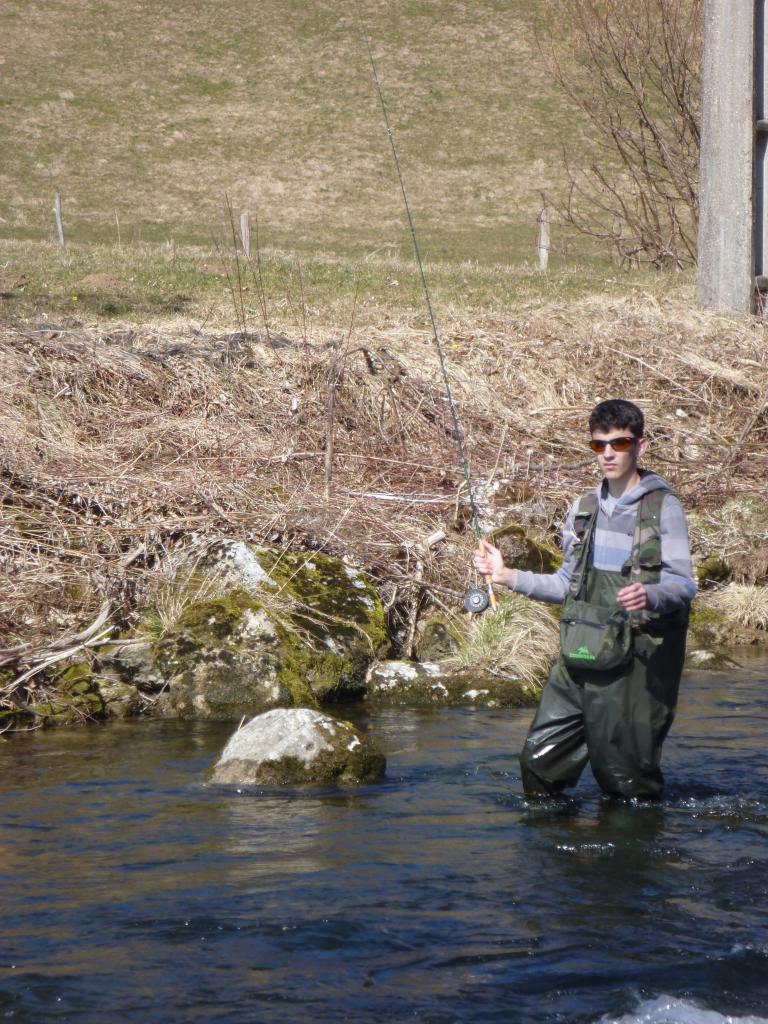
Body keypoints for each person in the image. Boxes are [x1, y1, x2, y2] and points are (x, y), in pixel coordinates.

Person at [473, 399, 696, 801]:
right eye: (599, 445)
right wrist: (506, 576)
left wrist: (650, 593)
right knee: (538, 765)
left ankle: (627, 855)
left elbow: (683, 584)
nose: (608, 453)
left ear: (640, 446)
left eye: (620, 443)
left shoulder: (664, 507)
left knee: (625, 784)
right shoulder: (582, 509)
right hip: (580, 656)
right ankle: (558, 855)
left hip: (636, 663)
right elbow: (565, 585)